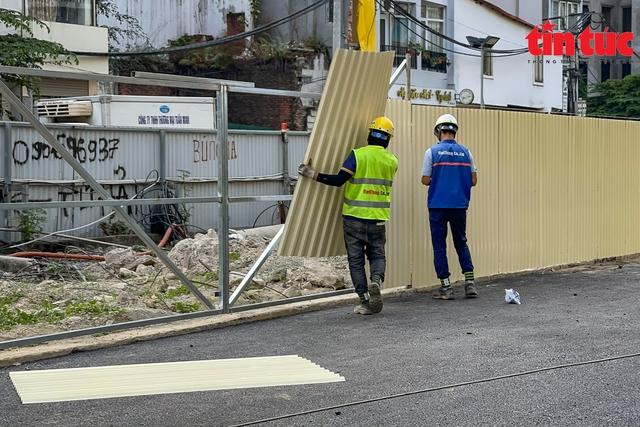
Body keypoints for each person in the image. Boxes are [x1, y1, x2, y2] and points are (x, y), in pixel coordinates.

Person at [298, 117, 398, 315]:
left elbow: (338, 180)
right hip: (378, 218)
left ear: (370, 134)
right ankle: (376, 281)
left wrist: (312, 174)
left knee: (356, 260)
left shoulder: (357, 155)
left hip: (354, 218)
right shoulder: (392, 161)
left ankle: (364, 300)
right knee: (377, 254)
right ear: (388, 139)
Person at [421, 114, 478, 300]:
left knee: (439, 246)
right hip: (460, 205)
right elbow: (474, 180)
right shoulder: (466, 152)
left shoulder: (432, 152)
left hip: (437, 205)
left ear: (438, 131)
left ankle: (446, 287)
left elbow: (425, 180)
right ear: (455, 130)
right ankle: (470, 284)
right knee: (461, 242)